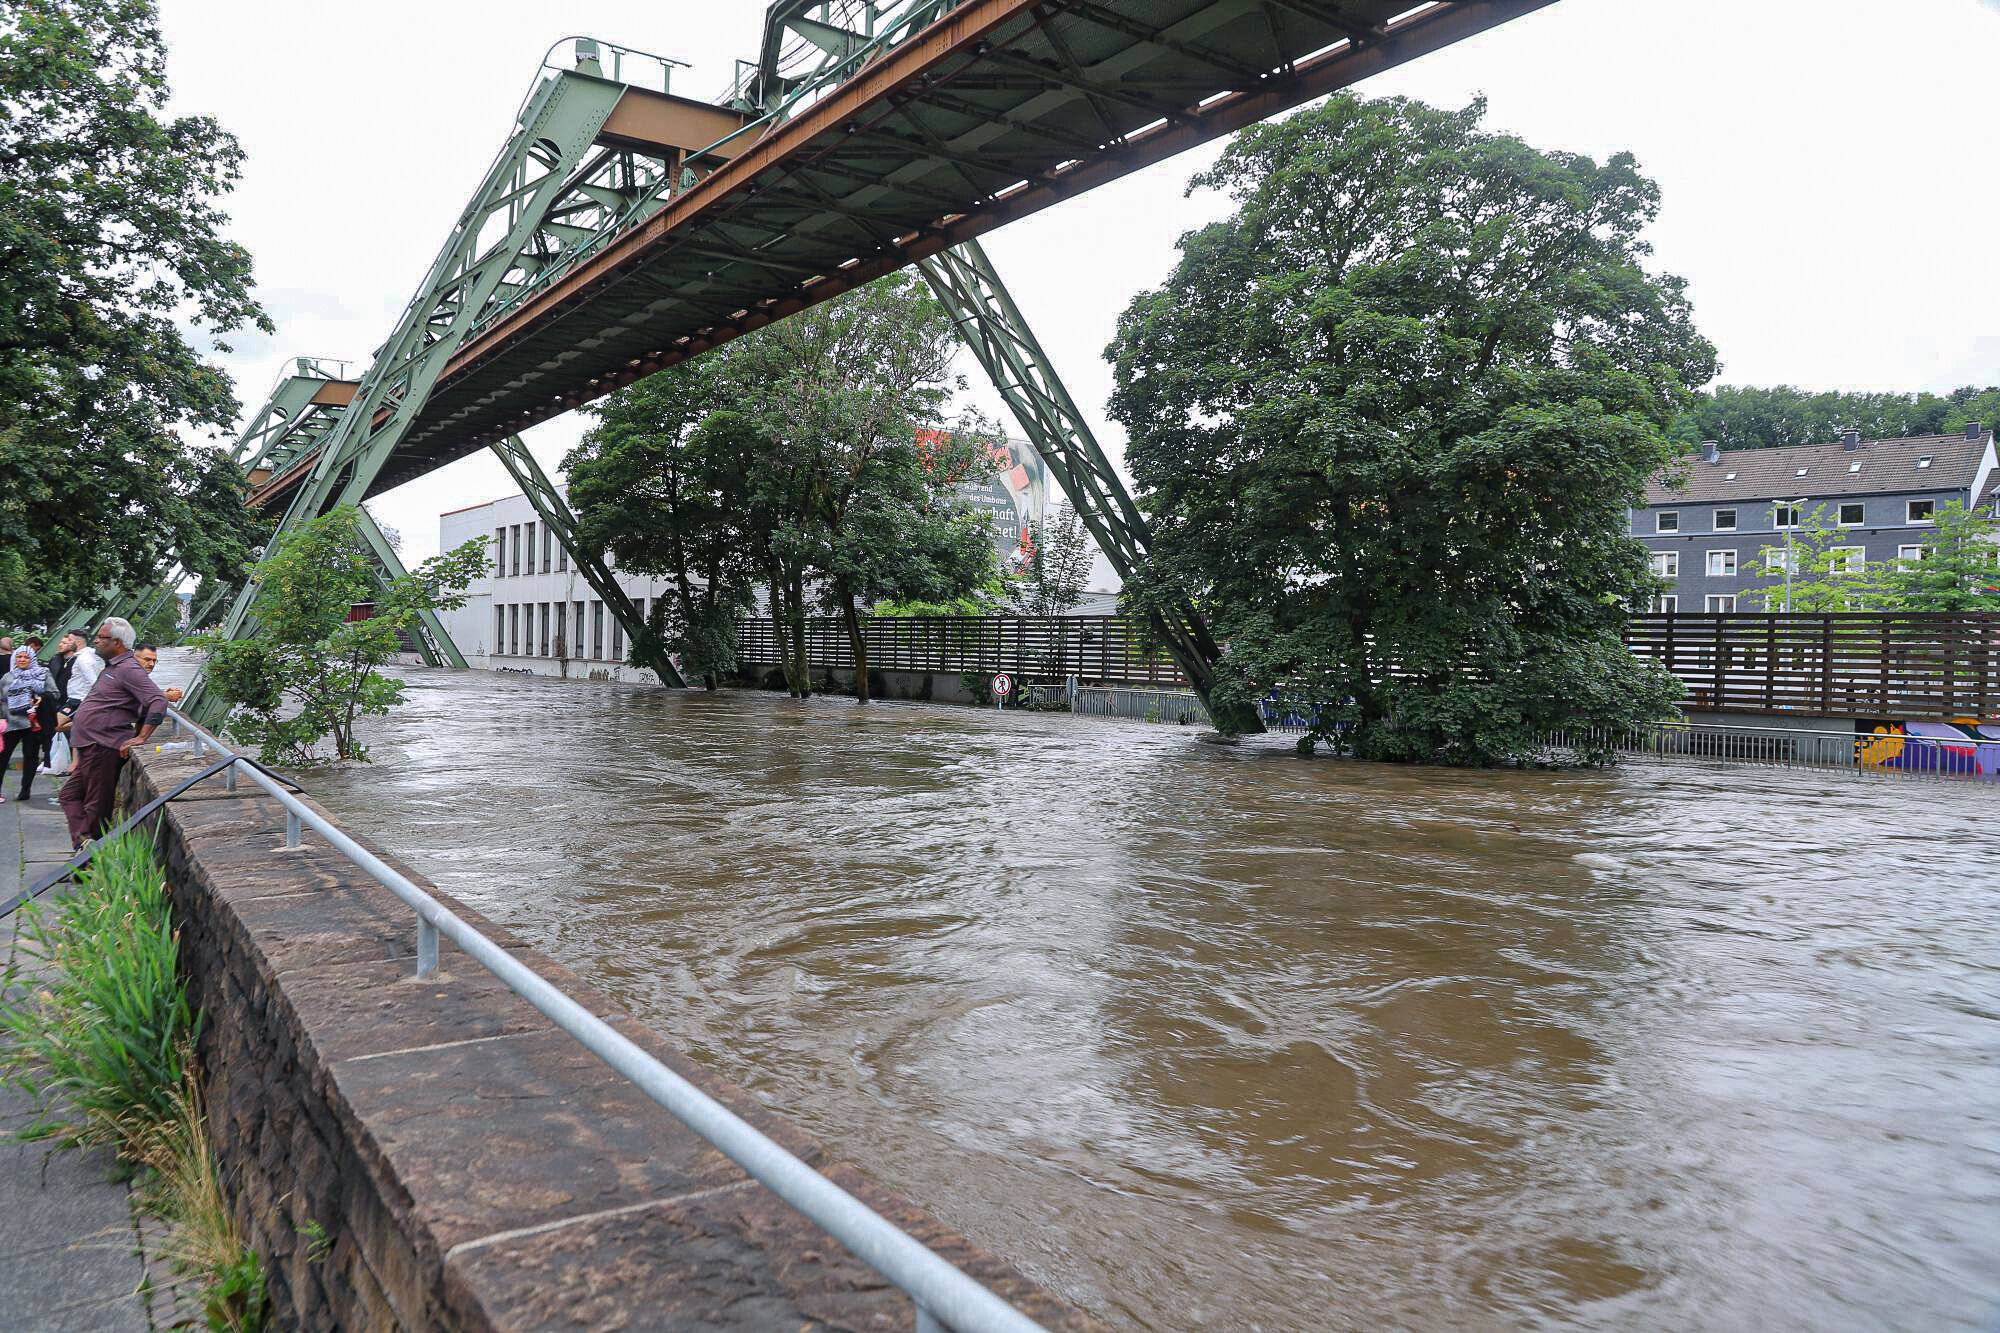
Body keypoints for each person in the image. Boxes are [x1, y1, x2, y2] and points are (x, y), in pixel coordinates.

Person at [57, 619, 168, 850]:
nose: (96, 640)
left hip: (103, 746)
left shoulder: (128, 669)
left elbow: (157, 700)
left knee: (96, 807)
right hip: (91, 744)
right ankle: (85, 845)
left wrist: (142, 737)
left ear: (116, 642)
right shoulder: (114, 667)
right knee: (69, 795)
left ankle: (89, 861)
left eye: (101, 637)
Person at [1, 645, 58, 803]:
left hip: (33, 723)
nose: (22, 660)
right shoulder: (8, 677)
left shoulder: (43, 673)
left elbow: (55, 693)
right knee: (2, 756)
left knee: (30, 756)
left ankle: (25, 789)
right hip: (11, 723)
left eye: (26, 657)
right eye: (19, 657)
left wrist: (40, 696)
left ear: (32, 659)